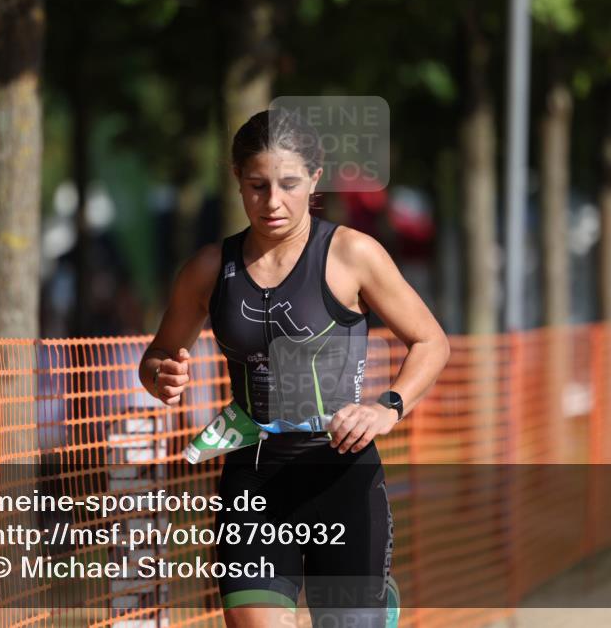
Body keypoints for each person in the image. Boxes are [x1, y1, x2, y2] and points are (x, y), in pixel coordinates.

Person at [139, 109, 450, 628]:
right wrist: (160, 374)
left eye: (288, 183)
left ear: (314, 177)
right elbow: (158, 356)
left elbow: (430, 341)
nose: (273, 202)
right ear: (237, 179)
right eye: (258, 186)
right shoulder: (209, 270)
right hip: (253, 478)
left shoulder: (352, 254)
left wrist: (387, 407)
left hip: (341, 476)